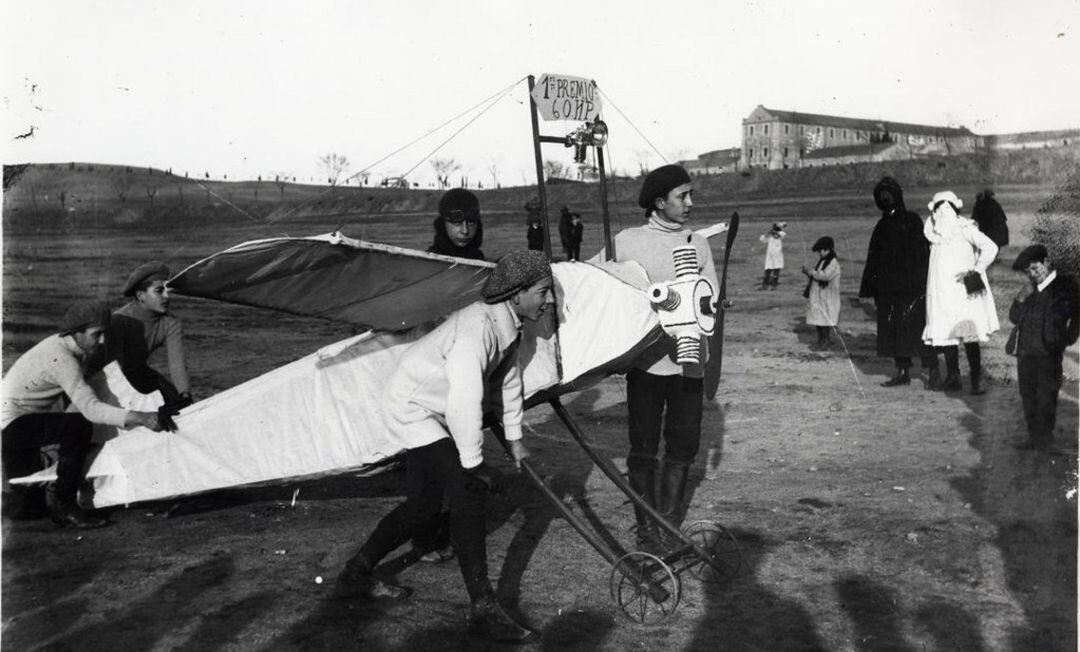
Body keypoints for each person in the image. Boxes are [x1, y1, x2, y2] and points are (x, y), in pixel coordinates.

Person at [336, 250, 553, 644]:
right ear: (517, 293)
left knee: (422, 507)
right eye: (543, 292)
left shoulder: (509, 324)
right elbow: (465, 399)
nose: (549, 300)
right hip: (413, 406)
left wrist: (516, 440)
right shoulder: (477, 328)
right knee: (467, 491)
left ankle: (355, 575)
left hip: (434, 409)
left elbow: (507, 382)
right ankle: (483, 607)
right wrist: (473, 463)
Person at [605, 164, 718, 553]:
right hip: (646, 365)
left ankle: (667, 524)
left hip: (689, 365)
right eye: (682, 196)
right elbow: (596, 284)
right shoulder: (625, 242)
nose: (690, 203)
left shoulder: (698, 243)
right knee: (643, 447)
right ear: (658, 202)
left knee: (684, 445)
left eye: (691, 195)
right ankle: (646, 527)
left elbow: (709, 299)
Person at [2, 301, 165, 528]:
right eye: (96, 334)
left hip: (17, 426)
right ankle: (65, 505)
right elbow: (90, 409)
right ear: (75, 333)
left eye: (104, 334)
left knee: (28, 509)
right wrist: (140, 417)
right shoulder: (61, 358)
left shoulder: (66, 347)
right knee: (78, 425)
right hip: (11, 428)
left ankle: (33, 497)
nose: (102, 341)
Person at [859, 176, 941, 388]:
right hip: (888, 289)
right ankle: (902, 370)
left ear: (897, 196)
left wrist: (920, 282)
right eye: (881, 196)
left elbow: (921, 254)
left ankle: (933, 371)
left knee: (919, 329)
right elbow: (874, 258)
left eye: (888, 195)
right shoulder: (881, 225)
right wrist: (873, 287)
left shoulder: (912, 220)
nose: (885, 199)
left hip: (911, 287)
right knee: (893, 330)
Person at [921, 191, 1000, 394]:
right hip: (940, 292)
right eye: (939, 208)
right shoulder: (933, 232)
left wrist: (975, 269)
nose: (943, 211)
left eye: (948, 207)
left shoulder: (965, 228)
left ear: (956, 209)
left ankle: (976, 378)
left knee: (969, 334)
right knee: (947, 334)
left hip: (963, 292)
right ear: (934, 211)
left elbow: (990, 247)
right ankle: (953, 377)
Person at [88, 261, 193, 407]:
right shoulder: (119, 321)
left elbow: (177, 365)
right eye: (159, 291)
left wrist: (184, 394)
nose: (167, 296)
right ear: (140, 295)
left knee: (182, 404)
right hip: (102, 377)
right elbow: (115, 372)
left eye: (168, 290)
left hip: (139, 373)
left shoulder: (171, 323)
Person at [1007, 245, 1080, 451]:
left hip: (1049, 352)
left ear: (1047, 262)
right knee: (1027, 394)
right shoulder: (1028, 290)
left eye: (1035, 268)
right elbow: (1013, 318)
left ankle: (1046, 439)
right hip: (1026, 351)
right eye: (1028, 271)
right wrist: (1020, 298)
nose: (1032, 274)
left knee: (1047, 395)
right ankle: (1034, 438)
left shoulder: (1065, 286)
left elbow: (1077, 314)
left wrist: (1067, 338)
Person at [801, 236, 841, 350]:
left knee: (825, 320)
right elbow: (817, 274)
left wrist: (811, 272)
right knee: (818, 319)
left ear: (827, 249)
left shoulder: (833, 263)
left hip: (828, 296)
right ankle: (821, 340)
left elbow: (825, 276)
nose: (819, 253)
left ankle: (825, 341)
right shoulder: (823, 261)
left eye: (820, 251)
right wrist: (807, 272)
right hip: (820, 296)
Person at [427, 188, 485, 260]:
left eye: (471, 222)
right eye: (457, 223)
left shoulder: (480, 260)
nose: (465, 231)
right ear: (442, 225)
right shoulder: (430, 262)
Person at [759, 222, 786, 289]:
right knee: (767, 271)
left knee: (776, 271)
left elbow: (779, 235)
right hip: (770, 257)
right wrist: (769, 232)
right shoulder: (770, 237)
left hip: (778, 257)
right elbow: (762, 239)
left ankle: (774, 285)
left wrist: (775, 229)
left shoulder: (781, 233)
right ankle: (764, 286)